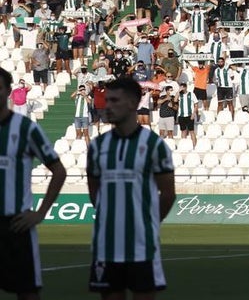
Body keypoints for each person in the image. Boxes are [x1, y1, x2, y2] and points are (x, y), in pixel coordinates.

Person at [86, 77, 176, 300]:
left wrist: (148, 222)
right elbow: (94, 191)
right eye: (107, 100)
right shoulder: (97, 146)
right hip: (106, 243)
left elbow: (168, 194)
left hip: (142, 243)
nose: (107, 106)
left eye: (114, 100)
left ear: (133, 103)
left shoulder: (155, 145)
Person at [0, 66, 68, 300]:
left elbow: (58, 170)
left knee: (28, 292)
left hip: (17, 224)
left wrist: (40, 213)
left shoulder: (26, 128)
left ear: (8, 91)